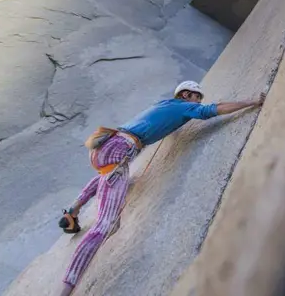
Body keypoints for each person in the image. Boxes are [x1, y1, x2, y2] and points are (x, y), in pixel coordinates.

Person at [58, 81, 266, 295]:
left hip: (106, 145)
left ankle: (73, 211)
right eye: (196, 98)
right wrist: (252, 101)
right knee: (107, 225)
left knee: (108, 177)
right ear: (186, 94)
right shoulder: (184, 106)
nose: (197, 104)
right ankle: (65, 289)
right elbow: (211, 110)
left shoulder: (165, 103)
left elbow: (161, 122)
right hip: (121, 149)